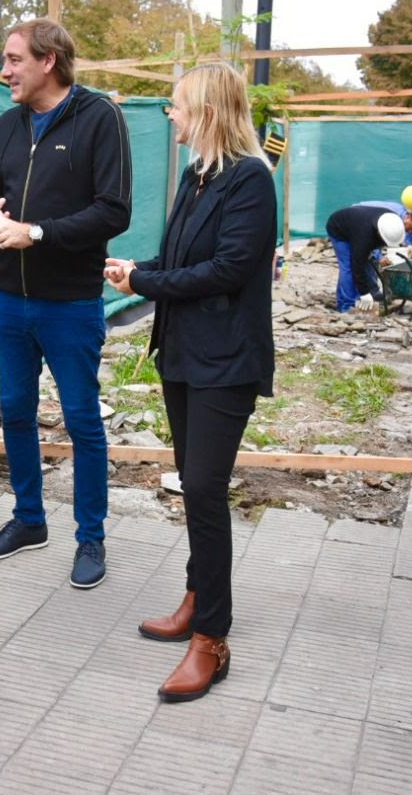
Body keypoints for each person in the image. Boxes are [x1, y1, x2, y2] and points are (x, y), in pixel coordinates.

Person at [105, 62, 276, 703]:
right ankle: (197, 593)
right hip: (182, 353)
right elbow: (180, 260)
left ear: (206, 110)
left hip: (226, 361)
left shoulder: (250, 181)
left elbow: (227, 269)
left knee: (204, 488)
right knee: (193, 484)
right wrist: (136, 269)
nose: (169, 115)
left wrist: (147, 282)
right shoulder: (197, 177)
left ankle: (212, 638)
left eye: (176, 106)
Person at [0, 18, 132, 590]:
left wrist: (35, 232)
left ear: (49, 61)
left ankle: (91, 537)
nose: (5, 70)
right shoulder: (5, 127)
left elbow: (114, 211)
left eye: (14, 59)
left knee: (83, 420)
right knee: (14, 411)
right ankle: (29, 520)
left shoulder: (99, 118)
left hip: (70, 303)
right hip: (11, 300)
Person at [325, 203, 407, 313]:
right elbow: (357, 265)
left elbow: (374, 246)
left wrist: (378, 256)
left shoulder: (391, 221)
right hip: (338, 229)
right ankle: (346, 305)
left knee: (370, 259)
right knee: (348, 267)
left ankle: (372, 291)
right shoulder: (364, 236)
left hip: (358, 226)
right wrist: (364, 293)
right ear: (379, 232)